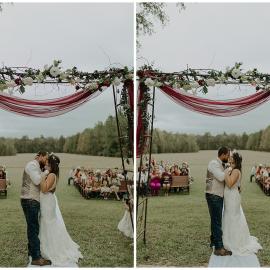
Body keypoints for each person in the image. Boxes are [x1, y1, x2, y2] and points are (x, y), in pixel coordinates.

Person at [39, 153, 83, 266]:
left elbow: (44, 189)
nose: (46, 164)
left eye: (48, 163)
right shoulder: (52, 174)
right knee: (46, 222)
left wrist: (42, 176)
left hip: (47, 201)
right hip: (47, 200)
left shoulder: (51, 175)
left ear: (51, 165)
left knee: (48, 223)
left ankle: (51, 248)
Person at [222, 152, 262, 256]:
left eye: (231, 157)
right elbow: (239, 186)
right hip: (231, 196)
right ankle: (228, 238)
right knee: (230, 216)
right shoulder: (234, 169)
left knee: (232, 217)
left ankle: (234, 242)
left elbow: (230, 184)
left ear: (234, 160)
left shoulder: (235, 171)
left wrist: (225, 172)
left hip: (232, 197)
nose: (229, 158)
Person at [20, 151, 51, 266]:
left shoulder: (37, 167)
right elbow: (37, 180)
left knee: (32, 227)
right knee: (33, 228)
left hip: (31, 200)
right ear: (40, 156)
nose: (46, 161)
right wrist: (47, 171)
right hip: (29, 200)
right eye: (46, 159)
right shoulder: (32, 165)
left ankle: (32, 252)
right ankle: (36, 258)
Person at [205, 146, 232, 256]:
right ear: (223, 154)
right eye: (228, 155)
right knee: (217, 222)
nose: (229, 157)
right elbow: (221, 177)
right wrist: (228, 169)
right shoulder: (213, 163)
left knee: (215, 220)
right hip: (213, 195)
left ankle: (213, 242)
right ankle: (219, 248)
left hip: (217, 195)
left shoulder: (221, 164)